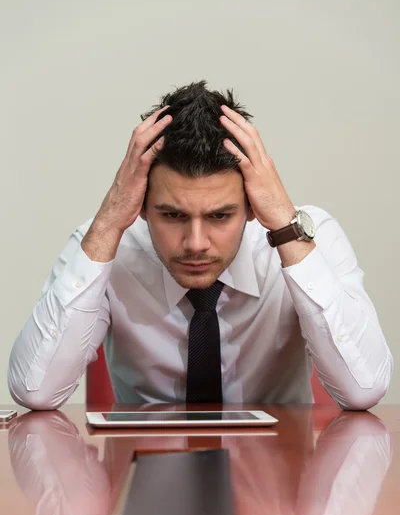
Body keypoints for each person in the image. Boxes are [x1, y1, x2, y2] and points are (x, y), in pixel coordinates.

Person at [8, 80, 393, 410]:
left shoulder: (307, 236)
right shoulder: (107, 246)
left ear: (252, 208)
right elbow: (34, 391)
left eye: (220, 216)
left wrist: (282, 219)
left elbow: (363, 389)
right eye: (172, 215)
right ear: (140, 206)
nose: (195, 244)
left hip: (276, 479)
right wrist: (109, 219)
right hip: (144, 478)